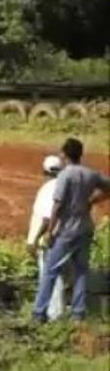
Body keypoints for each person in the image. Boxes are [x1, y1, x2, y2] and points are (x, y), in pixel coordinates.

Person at [32, 137, 110, 323]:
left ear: (64, 154)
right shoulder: (90, 174)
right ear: (80, 154)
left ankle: (38, 312)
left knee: (50, 271)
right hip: (85, 228)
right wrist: (92, 201)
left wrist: (50, 232)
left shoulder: (65, 176)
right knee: (81, 271)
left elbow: (57, 206)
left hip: (67, 229)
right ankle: (78, 313)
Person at [26, 155, 68, 320]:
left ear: (44, 171)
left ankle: (54, 316)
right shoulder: (68, 186)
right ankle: (65, 312)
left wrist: (34, 240)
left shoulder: (47, 189)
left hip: (51, 239)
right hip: (70, 237)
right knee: (65, 276)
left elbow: (47, 218)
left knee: (51, 276)